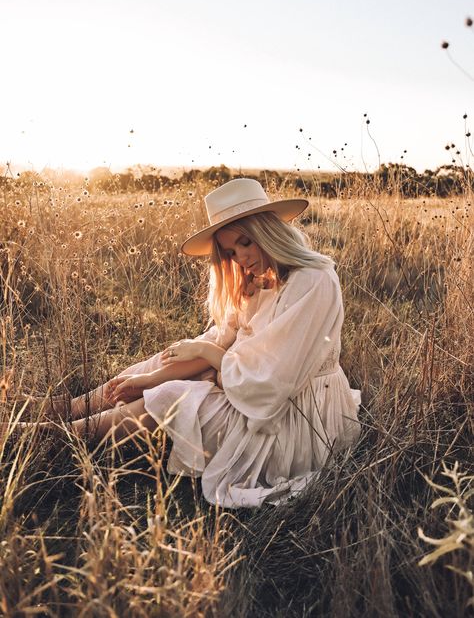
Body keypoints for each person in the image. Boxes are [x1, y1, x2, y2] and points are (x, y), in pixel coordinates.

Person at [7, 179, 361, 508]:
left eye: (245, 242)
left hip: (290, 418)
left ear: (268, 230)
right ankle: (60, 408)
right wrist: (150, 377)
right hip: (251, 390)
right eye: (231, 252)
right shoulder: (259, 279)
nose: (241, 258)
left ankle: (56, 435)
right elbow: (222, 342)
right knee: (152, 367)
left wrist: (205, 357)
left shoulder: (312, 280)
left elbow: (268, 383)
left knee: (172, 396)